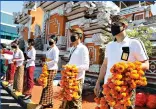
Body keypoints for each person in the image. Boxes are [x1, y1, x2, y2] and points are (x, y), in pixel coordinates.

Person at [94, 15, 149, 109]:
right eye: (111, 24)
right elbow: (104, 65)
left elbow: (146, 64)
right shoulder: (109, 45)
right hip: (109, 87)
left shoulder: (134, 43)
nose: (112, 27)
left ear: (124, 26)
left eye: (115, 24)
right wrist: (98, 82)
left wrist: (128, 67)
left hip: (125, 89)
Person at [60, 28, 90, 109]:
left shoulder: (83, 48)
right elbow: (71, 62)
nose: (71, 37)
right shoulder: (72, 48)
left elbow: (86, 66)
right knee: (66, 100)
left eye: (74, 35)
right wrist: (67, 67)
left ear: (79, 36)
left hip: (77, 79)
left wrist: (72, 69)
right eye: (71, 35)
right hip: (69, 79)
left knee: (75, 102)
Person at [35, 35, 59, 109]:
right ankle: (50, 102)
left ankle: (43, 103)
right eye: (49, 40)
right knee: (49, 86)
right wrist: (44, 62)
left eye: (51, 40)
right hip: (47, 68)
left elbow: (56, 60)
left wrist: (46, 63)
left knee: (46, 85)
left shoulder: (55, 49)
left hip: (52, 69)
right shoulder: (50, 49)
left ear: (55, 41)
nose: (50, 41)